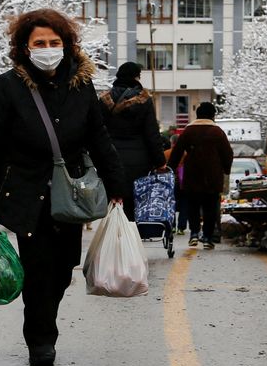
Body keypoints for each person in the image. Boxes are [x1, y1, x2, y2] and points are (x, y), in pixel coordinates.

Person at [0, 9, 125, 366]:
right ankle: (41, 339)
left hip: (70, 192)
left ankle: (44, 319)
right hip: (26, 191)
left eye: (54, 42)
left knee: (63, 270)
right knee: (38, 268)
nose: (47, 49)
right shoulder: (7, 87)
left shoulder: (82, 87)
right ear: (24, 47)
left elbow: (99, 139)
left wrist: (117, 187)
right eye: (39, 43)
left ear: (67, 45)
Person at [99, 62, 165, 222]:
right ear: (136, 77)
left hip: (110, 159)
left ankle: (114, 240)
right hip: (139, 161)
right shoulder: (144, 100)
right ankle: (131, 238)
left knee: (113, 202)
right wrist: (160, 161)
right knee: (133, 205)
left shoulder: (103, 99)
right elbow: (152, 134)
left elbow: (97, 132)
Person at [167, 102, 233, 249]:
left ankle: (194, 234)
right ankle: (208, 238)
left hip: (192, 175)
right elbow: (228, 153)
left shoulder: (188, 131)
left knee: (193, 206)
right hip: (213, 176)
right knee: (210, 208)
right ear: (212, 115)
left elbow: (177, 152)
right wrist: (226, 169)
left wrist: (170, 168)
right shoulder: (218, 132)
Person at [164, 134, 188, 235]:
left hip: (170, 182)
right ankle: (181, 228)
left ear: (171, 142)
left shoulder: (165, 154)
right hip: (183, 182)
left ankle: (172, 226)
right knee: (184, 204)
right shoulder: (186, 154)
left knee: (170, 204)